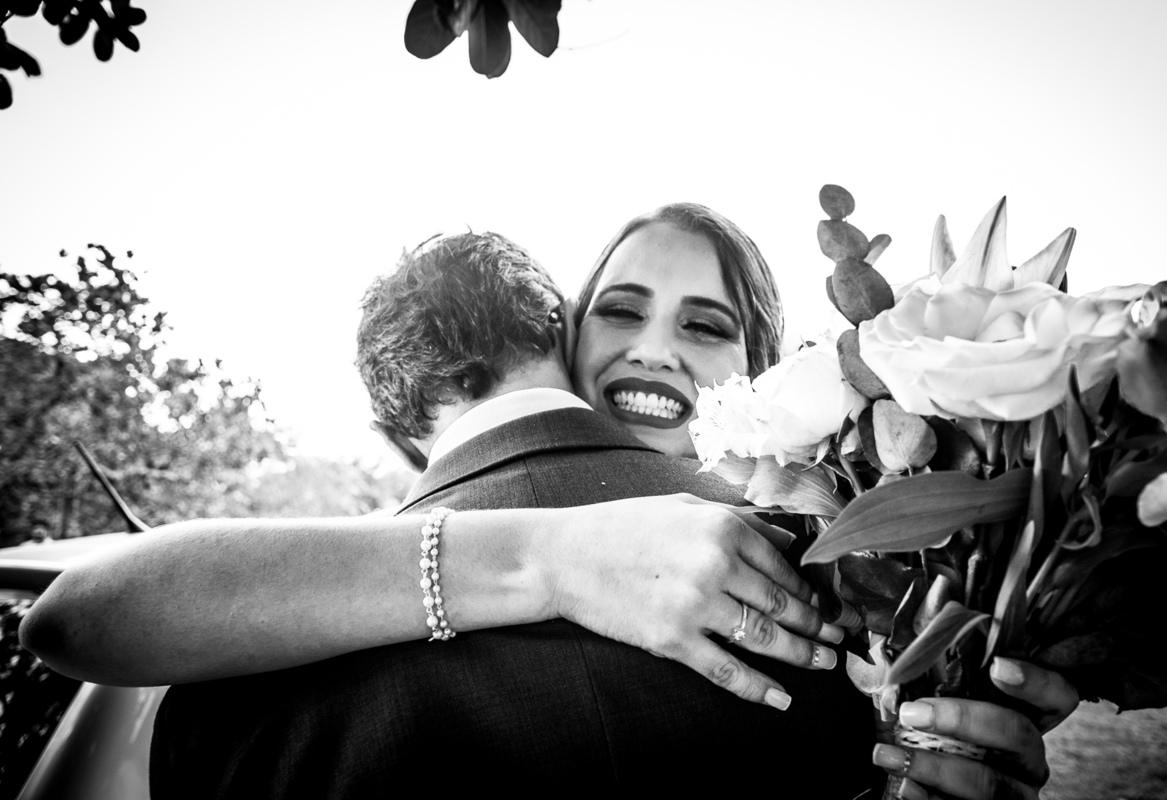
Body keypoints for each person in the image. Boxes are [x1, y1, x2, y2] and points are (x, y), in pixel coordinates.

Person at [23, 217, 1074, 797]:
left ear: (767, 375)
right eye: (619, 309)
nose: (654, 348)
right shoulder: (269, 610)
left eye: (707, 327)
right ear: (563, 340)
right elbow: (79, 617)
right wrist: (555, 551)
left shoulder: (865, 595)